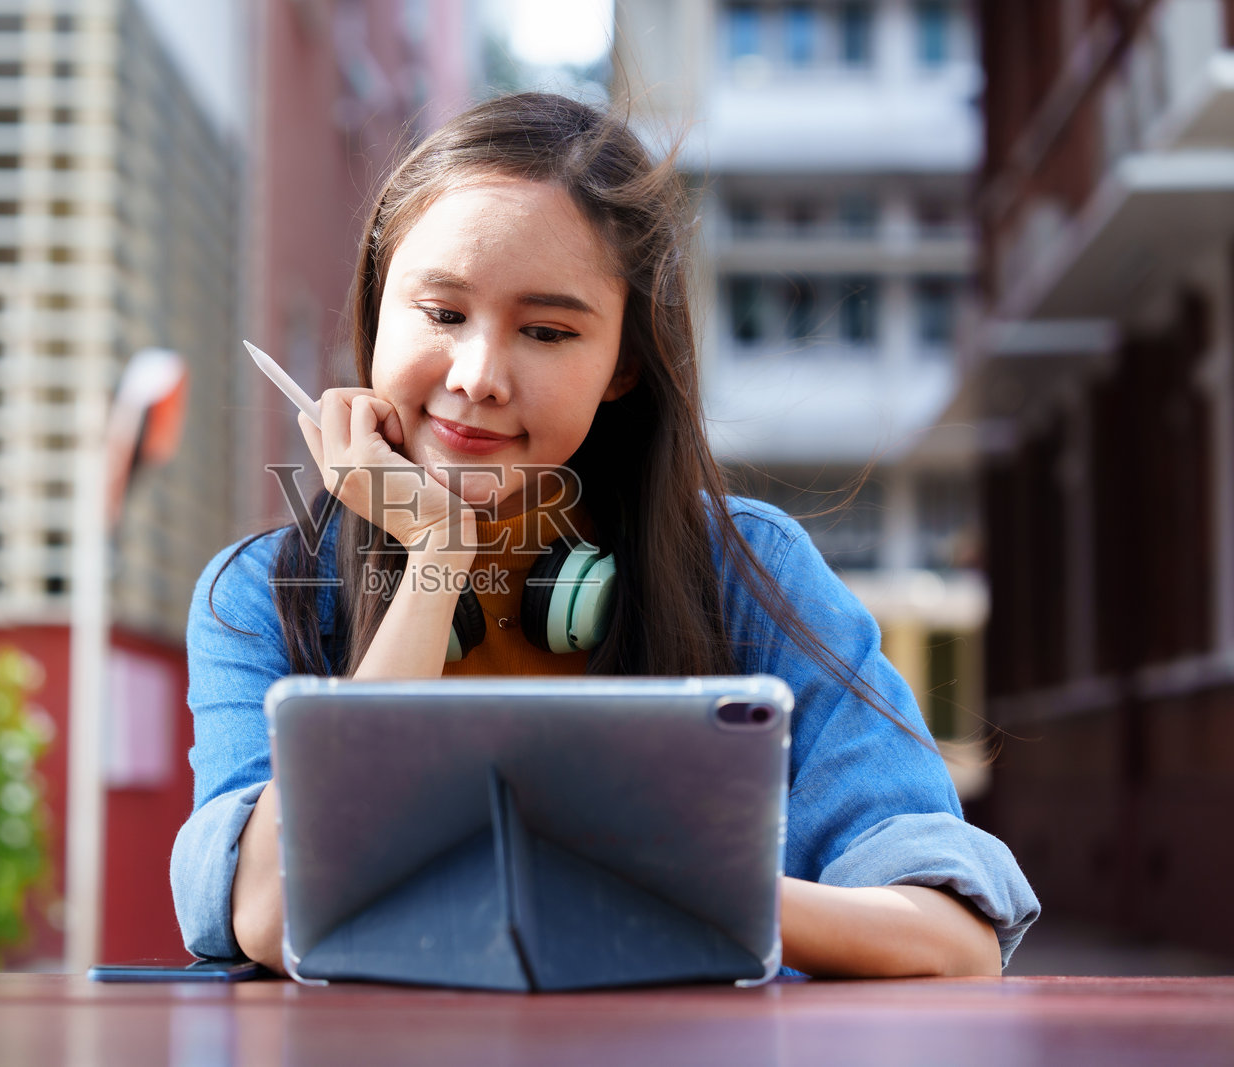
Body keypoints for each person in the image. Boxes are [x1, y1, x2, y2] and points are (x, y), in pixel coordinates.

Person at [171, 92, 1038, 978]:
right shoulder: (261, 596)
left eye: (546, 330)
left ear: (624, 360)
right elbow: (276, 909)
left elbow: (953, 939)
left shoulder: (747, 569)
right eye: (440, 313)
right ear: (376, 309)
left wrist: (654, 879)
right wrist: (437, 556)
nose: (477, 377)